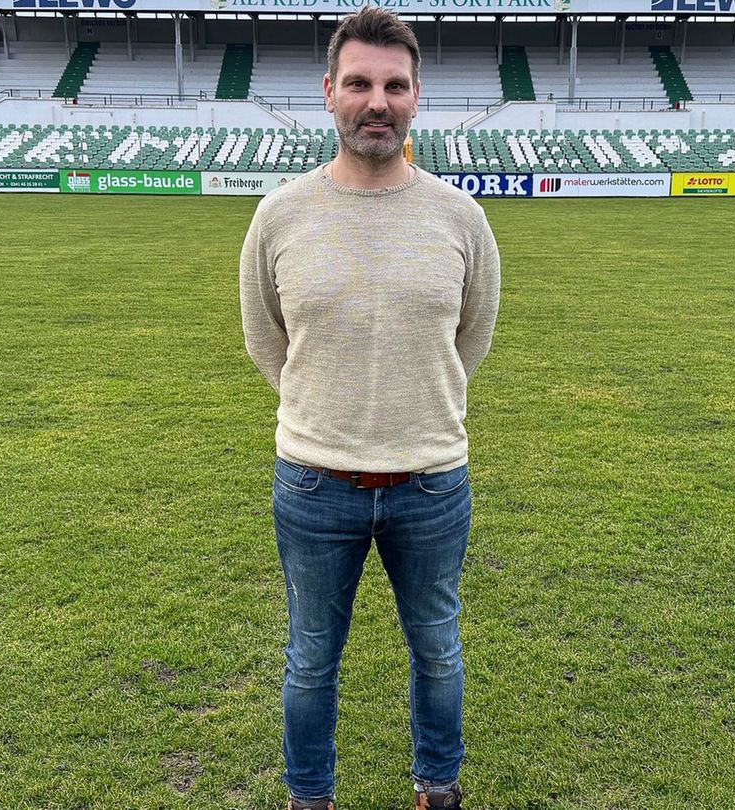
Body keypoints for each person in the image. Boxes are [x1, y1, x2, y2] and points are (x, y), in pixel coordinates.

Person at [238, 7, 501, 809]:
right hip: (315, 485)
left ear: (417, 95)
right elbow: (265, 339)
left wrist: (408, 410)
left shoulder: (461, 218)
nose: (376, 100)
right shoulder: (280, 215)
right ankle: (309, 797)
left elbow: (472, 336)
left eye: (394, 85)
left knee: (439, 654)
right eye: (359, 83)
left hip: (431, 483)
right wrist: (330, 410)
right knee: (312, 658)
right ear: (329, 92)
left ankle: (438, 788)